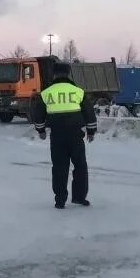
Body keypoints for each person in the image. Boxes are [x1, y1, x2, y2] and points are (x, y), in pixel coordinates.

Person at [32, 62, 97, 209]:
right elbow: (89, 113)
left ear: (54, 74)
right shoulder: (78, 91)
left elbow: (38, 115)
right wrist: (91, 131)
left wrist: (41, 131)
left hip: (57, 137)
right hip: (75, 136)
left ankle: (60, 200)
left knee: (59, 168)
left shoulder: (46, 93)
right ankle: (79, 197)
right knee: (80, 166)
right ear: (68, 74)